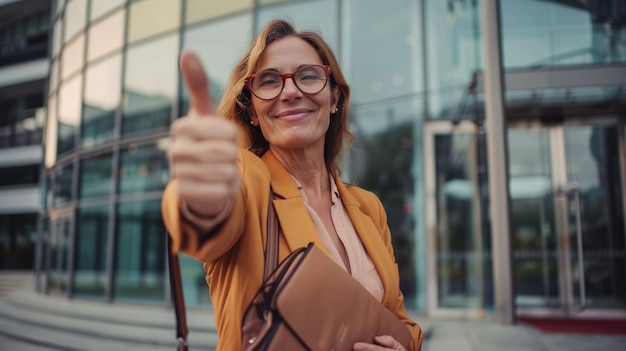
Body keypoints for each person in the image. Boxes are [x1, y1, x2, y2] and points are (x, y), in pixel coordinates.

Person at [162, 19, 424, 350]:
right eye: (269, 81)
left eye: (308, 76)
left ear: (334, 100)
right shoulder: (247, 178)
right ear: (252, 111)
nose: (290, 91)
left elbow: (397, 320)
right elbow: (203, 226)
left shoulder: (369, 207)